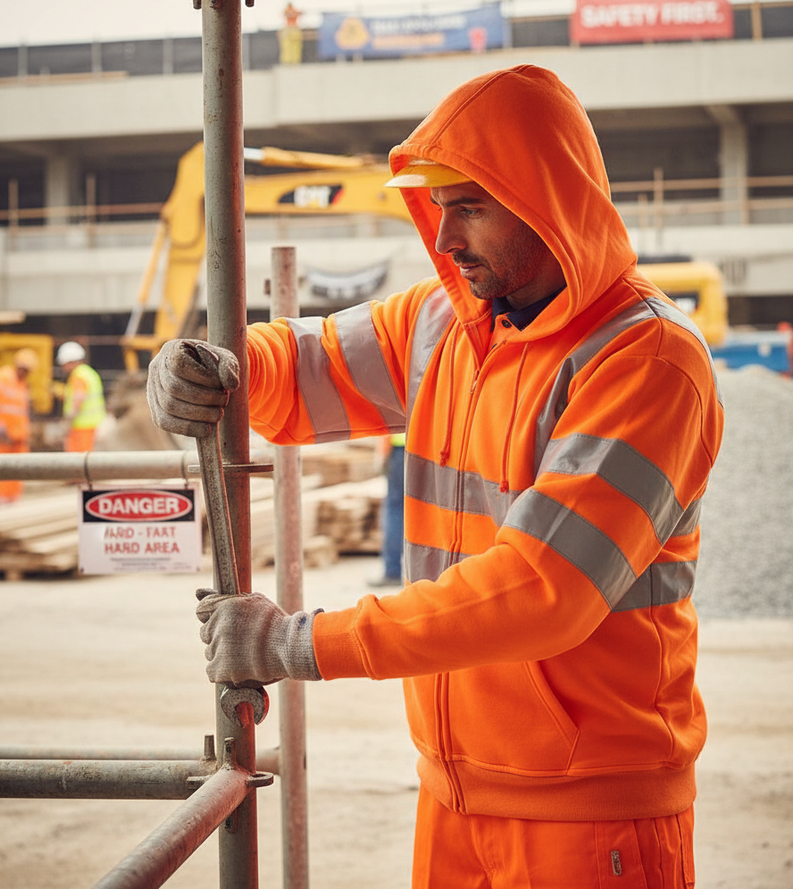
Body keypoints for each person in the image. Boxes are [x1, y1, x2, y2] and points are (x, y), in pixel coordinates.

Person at [147, 65, 724, 888]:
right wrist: (217, 365)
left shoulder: (646, 359)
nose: (445, 237)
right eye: (441, 206)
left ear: (545, 200)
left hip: (593, 819)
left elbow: (540, 589)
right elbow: (297, 367)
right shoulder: (442, 324)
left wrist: (297, 641)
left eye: (469, 206)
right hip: (453, 796)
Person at [0, 348, 39, 504]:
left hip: (19, 433)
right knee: (4, 466)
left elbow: (21, 409)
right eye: (24, 369)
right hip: (3, 433)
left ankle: (13, 499)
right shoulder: (2, 378)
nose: (25, 373)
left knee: (18, 467)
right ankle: (3, 499)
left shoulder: (22, 384)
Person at [369, 432, 406, 587]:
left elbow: (388, 425)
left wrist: (382, 455)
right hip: (428, 448)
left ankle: (392, 570)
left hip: (400, 450)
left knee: (395, 509)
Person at [56, 341, 106, 452]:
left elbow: (78, 401)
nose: (62, 367)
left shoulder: (78, 375)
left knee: (78, 462)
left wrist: (67, 423)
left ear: (70, 361)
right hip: (94, 425)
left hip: (81, 428)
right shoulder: (89, 373)